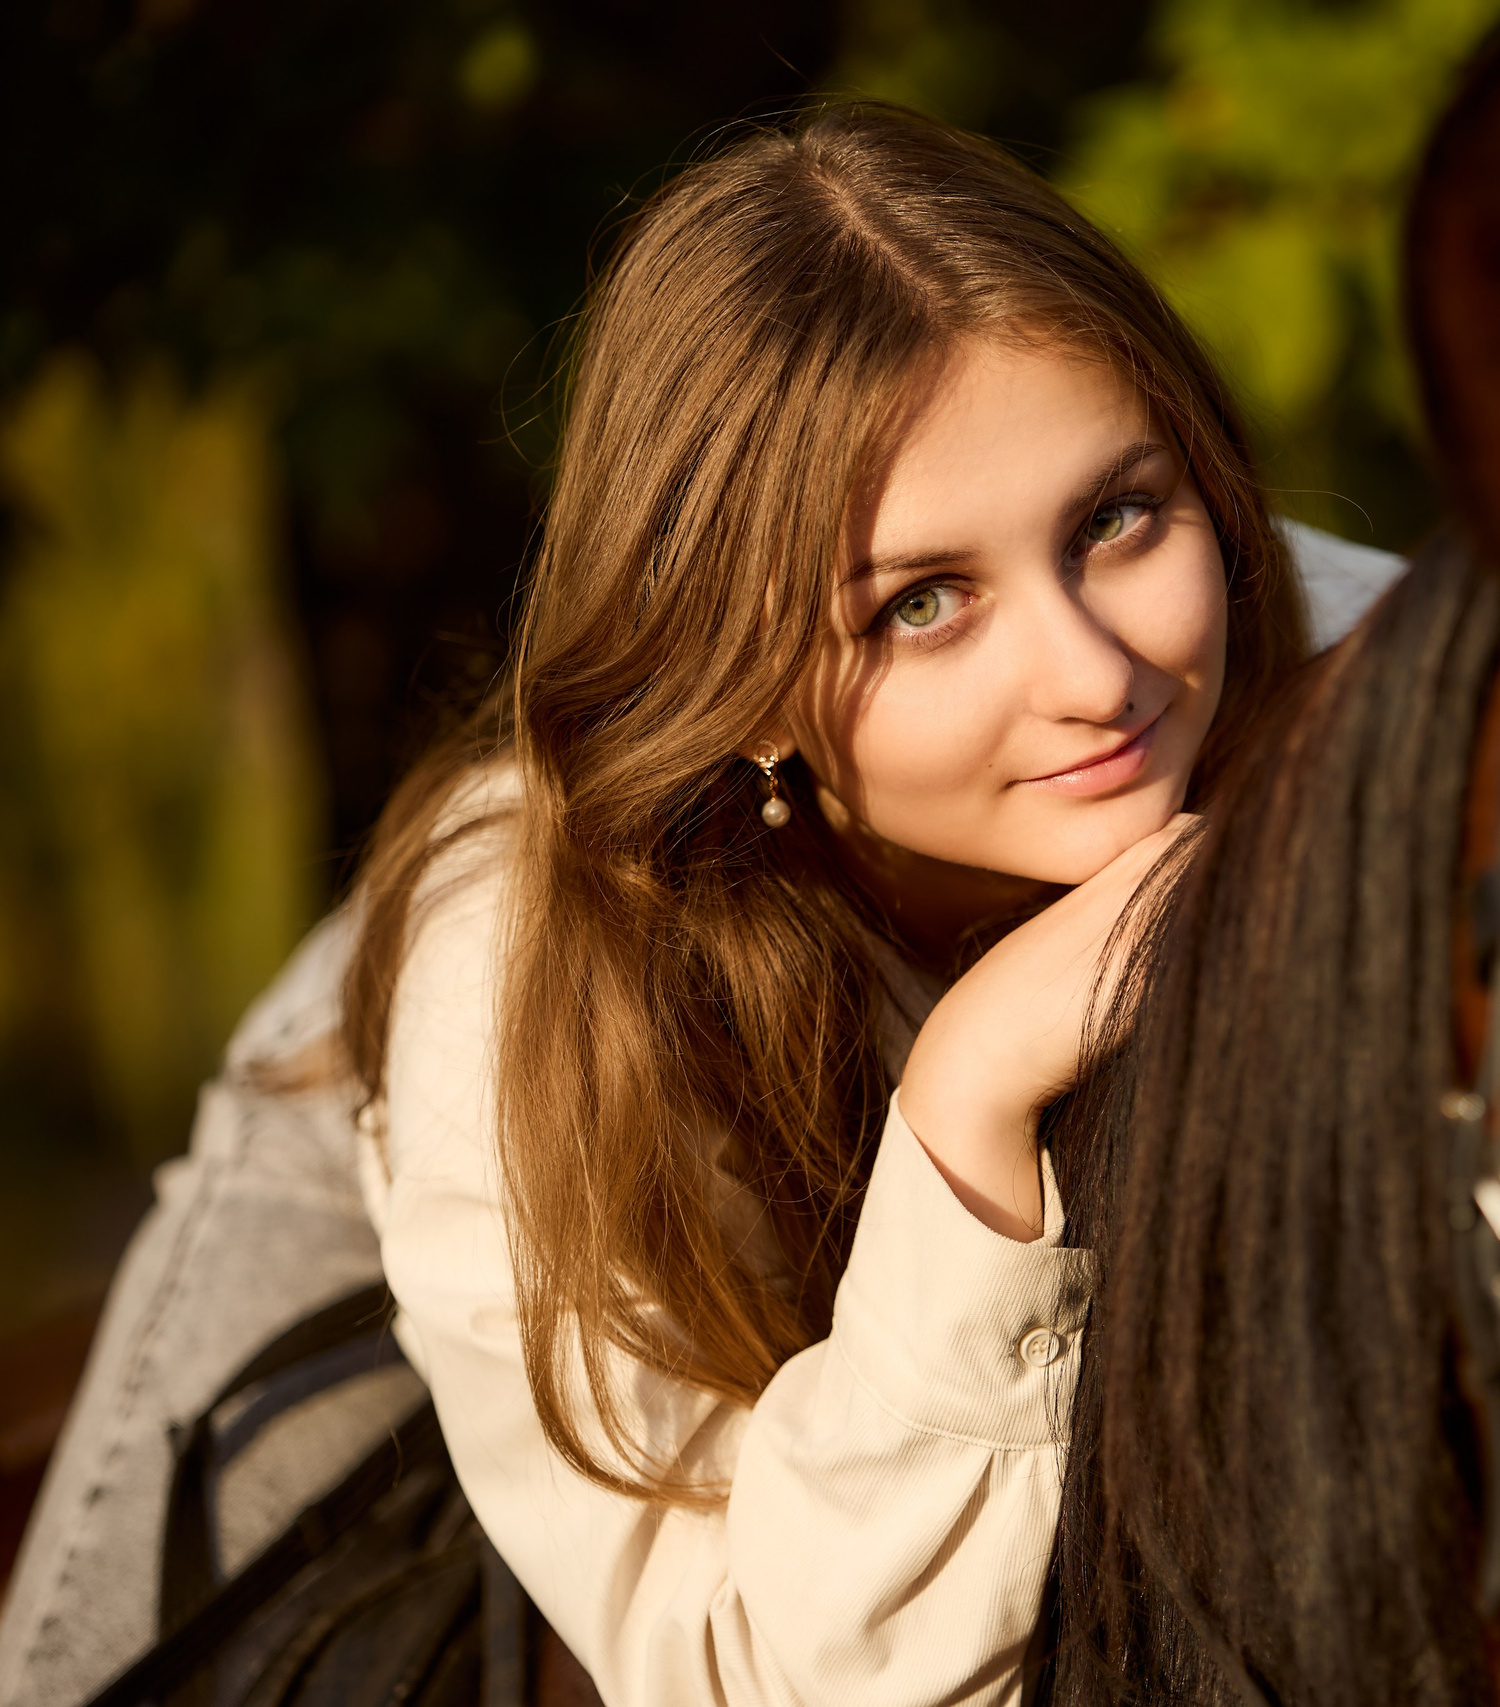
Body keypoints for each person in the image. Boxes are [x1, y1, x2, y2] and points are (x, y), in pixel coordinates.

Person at [0, 102, 1401, 1707]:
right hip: (500, 1062)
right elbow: (732, 1666)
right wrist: (965, 1092)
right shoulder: (515, 991)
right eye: (921, 604)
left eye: (1115, 518)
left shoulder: (1347, 669)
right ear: (729, 667)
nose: (1098, 676)